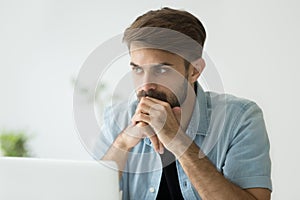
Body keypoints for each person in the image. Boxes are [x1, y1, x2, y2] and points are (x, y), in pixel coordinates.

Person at [94, 7, 272, 200]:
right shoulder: (118, 117)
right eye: (137, 70)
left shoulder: (240, 118)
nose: (146, 85)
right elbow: (86, 194)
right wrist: (123, 143)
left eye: (161, 70)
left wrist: (178, 142)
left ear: (194, 71)